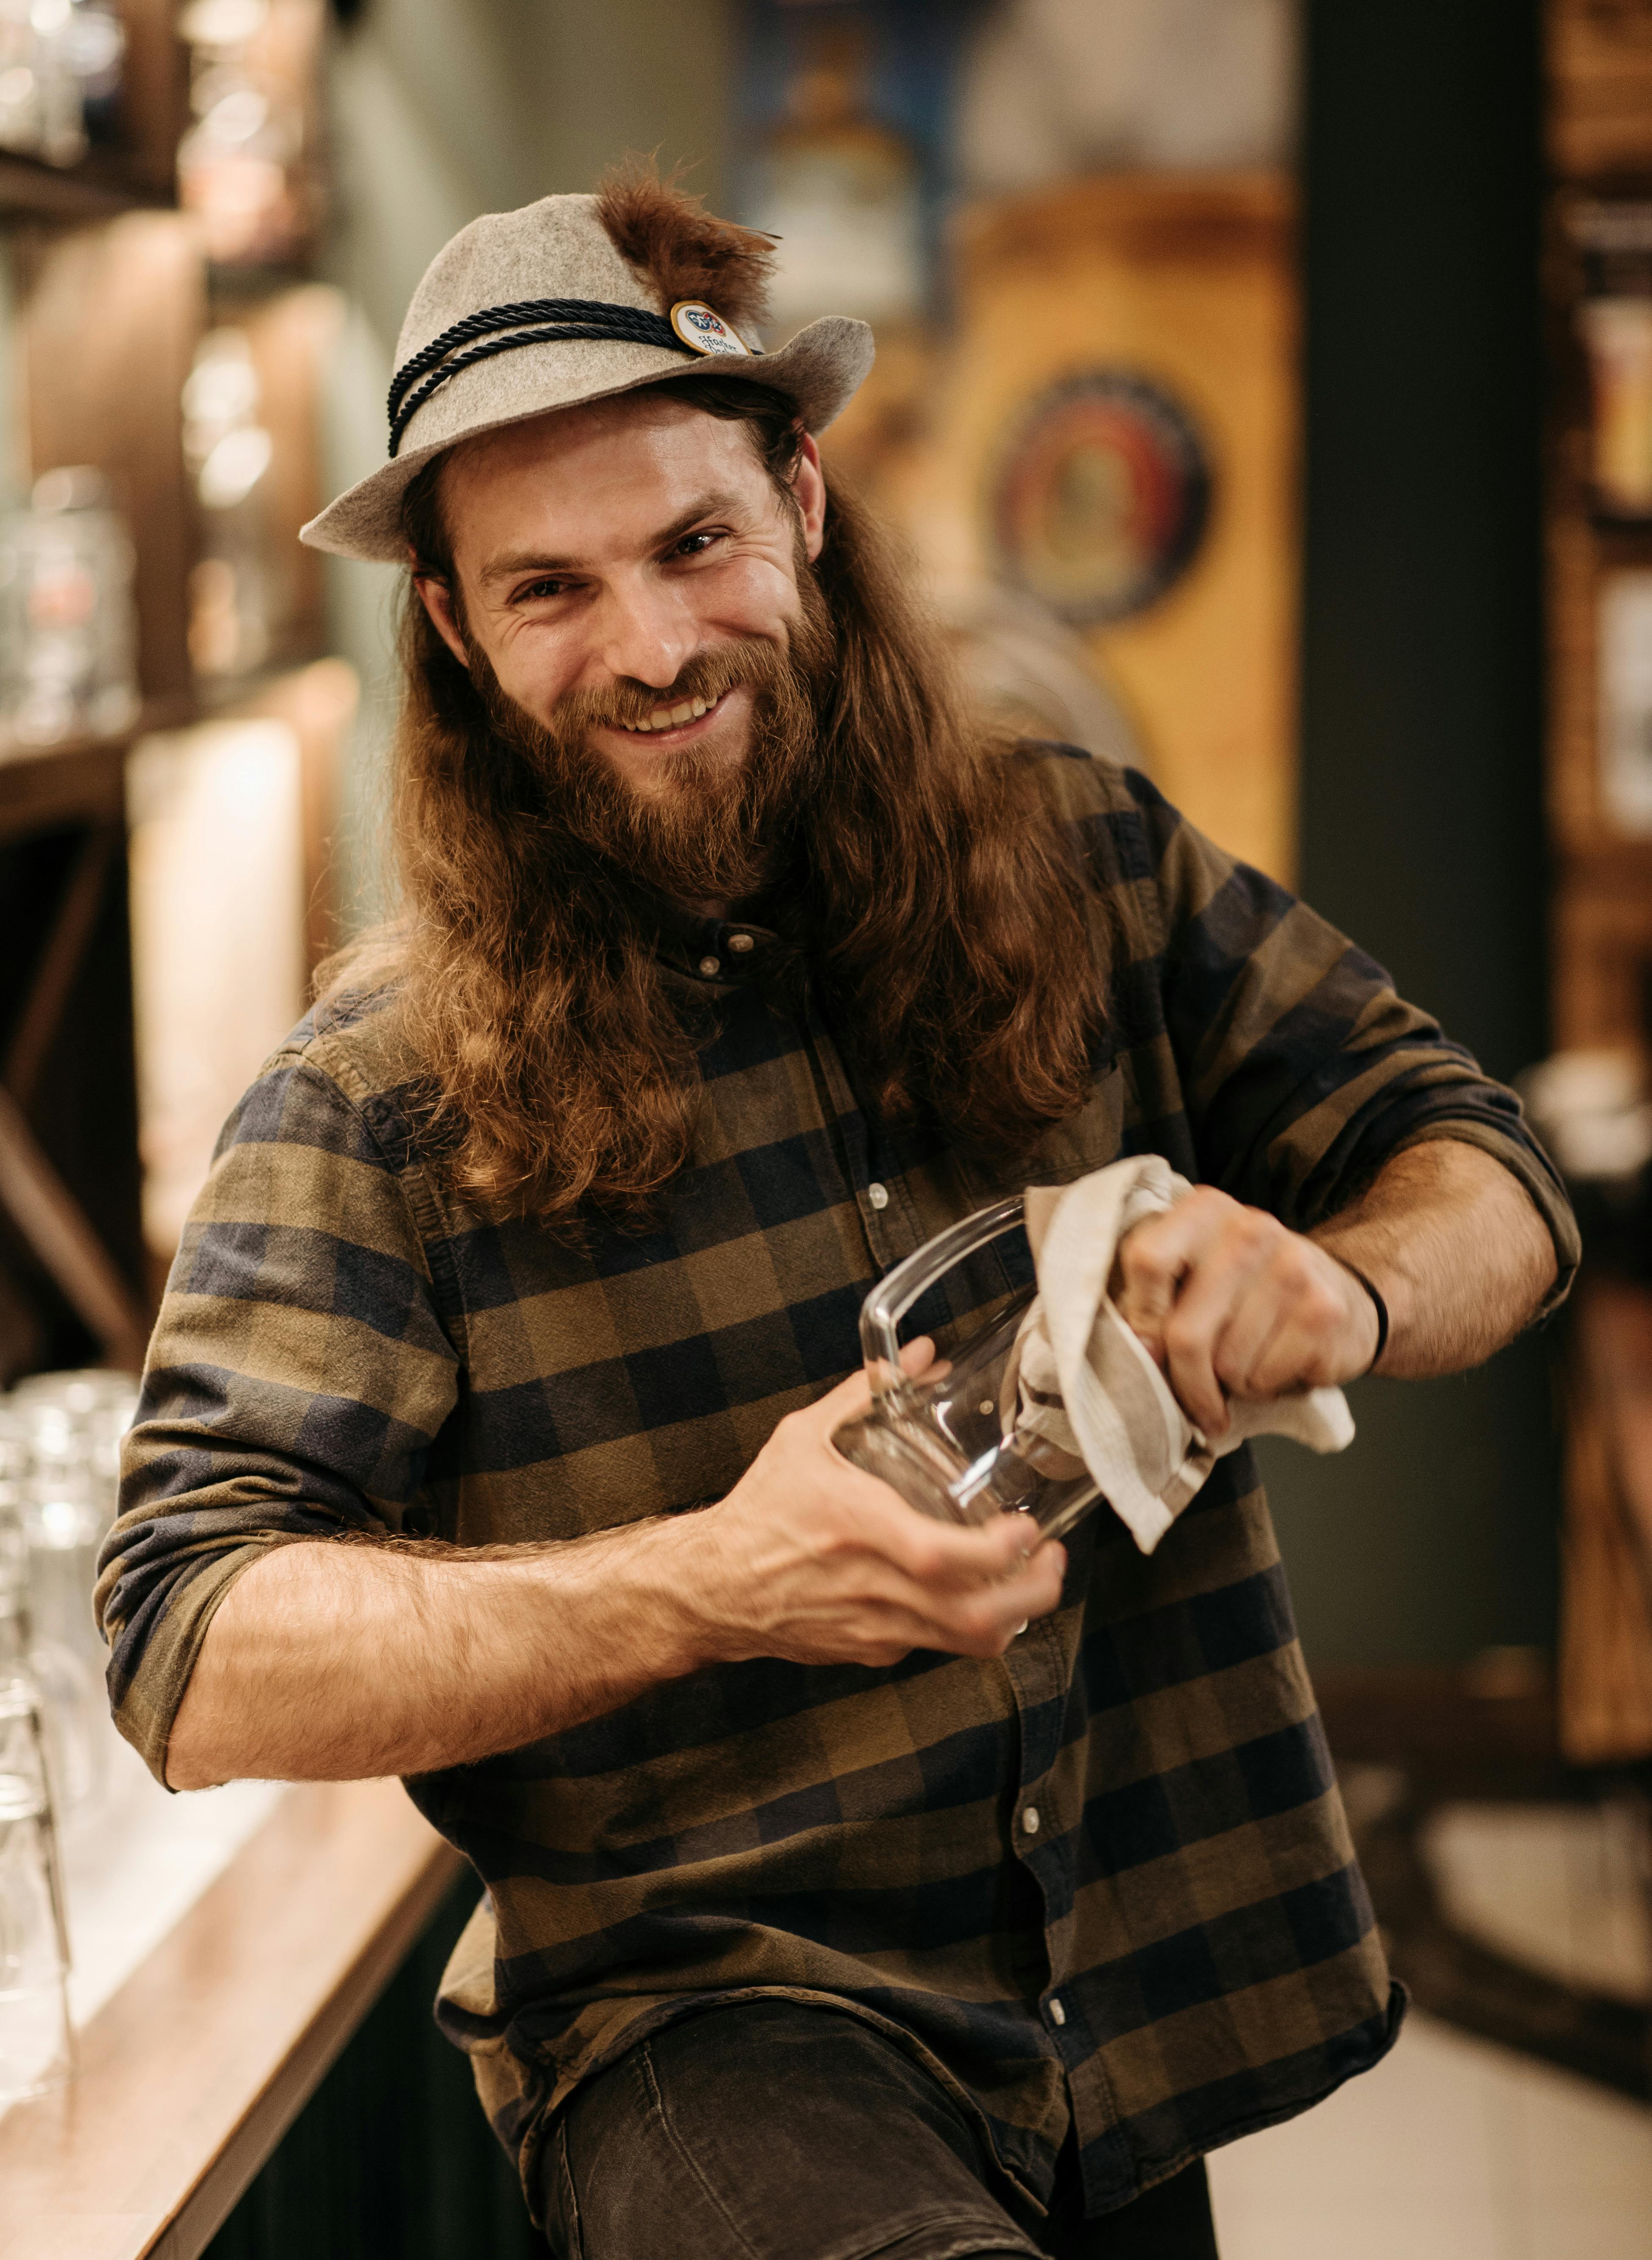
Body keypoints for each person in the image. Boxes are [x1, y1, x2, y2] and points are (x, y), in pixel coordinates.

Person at [97, 172, 1576, 2260]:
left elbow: (1480, 1162)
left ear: (798, 498)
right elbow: (186, 1638)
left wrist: (1339, 1277)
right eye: (548, 590)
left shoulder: (1095, 865)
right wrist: (711, 1578)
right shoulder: (369, 1106)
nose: (648, 645)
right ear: (449, 624)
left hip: (1132, 2007)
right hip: (719, 2037)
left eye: (693, 541)